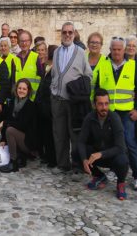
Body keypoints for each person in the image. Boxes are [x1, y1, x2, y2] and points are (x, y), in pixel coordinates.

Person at [95, 36, 137, 191]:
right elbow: (98, 88)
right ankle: (115, 170)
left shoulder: (133, 65)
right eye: (114, 49)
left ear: (124, 50)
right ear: (110, 50)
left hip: (126, 112)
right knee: (111, 142)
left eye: (119, 49)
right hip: (108, 112)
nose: (116, 52)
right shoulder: (103, 65)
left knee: (129, 142)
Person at [51, 22, 93, 173]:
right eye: (64, 32)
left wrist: (78, 89)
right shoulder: (56, 52)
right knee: (59, 133)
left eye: (70, 32)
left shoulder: (80, 53)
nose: (67, 35)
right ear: (61, 34)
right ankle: (62, 164)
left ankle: (76, 166)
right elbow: (55, 73)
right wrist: (54, 89)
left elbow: (88, 75)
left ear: (74, 34)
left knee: (75, 134)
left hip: (74, 102)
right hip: (57, 100)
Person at [76, 89, 129, 200]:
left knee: (123, 160)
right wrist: (84, 159)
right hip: (96, 154)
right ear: (95, 104)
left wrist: (100, 154)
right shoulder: (90, 118)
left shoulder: (115, 118)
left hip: (113, 156)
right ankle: (100, 176)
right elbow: (81, 141)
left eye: (106, 103)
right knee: (77, 152)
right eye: (100, 104)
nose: (104, 107)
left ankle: (121, 183)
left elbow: (121, 147)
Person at [0, 79, 38, 173]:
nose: (21, 90)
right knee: (9, 128)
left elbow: (22, 125)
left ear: (28, 91)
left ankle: (13, 163)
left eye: (24, 89)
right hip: (18, 137)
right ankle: (20, 157)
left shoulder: (31, 106)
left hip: (27, 141)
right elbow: (8, 119)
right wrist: (3, 139)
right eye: (19, 88)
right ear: (16, 89)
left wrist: (4, 123)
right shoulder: (11, 103)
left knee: (10, 130)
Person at [35, 45, 58, 168]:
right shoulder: (46, 66)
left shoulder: (56, 69)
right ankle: (46, 156)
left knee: (50, 134)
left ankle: (52, 159)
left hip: (49, 106)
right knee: (44, 133)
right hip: (42, 105)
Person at [13, 30, 42, 101]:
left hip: (32, 98)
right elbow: (13, 81)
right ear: (18, 43)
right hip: (18, 98)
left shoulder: (36, 57)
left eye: (27, 41)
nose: (24, 43)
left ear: (31, 42)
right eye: (21, 41)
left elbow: (40, 77)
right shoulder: (15, 59)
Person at [87, 32, 105, 101]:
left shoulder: (107, 62)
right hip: (83, 102)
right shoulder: (82, 59)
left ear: (101, 45)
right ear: (88, 44)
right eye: (92, 42)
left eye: (97, 43)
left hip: (99, 102)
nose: (94, 45)